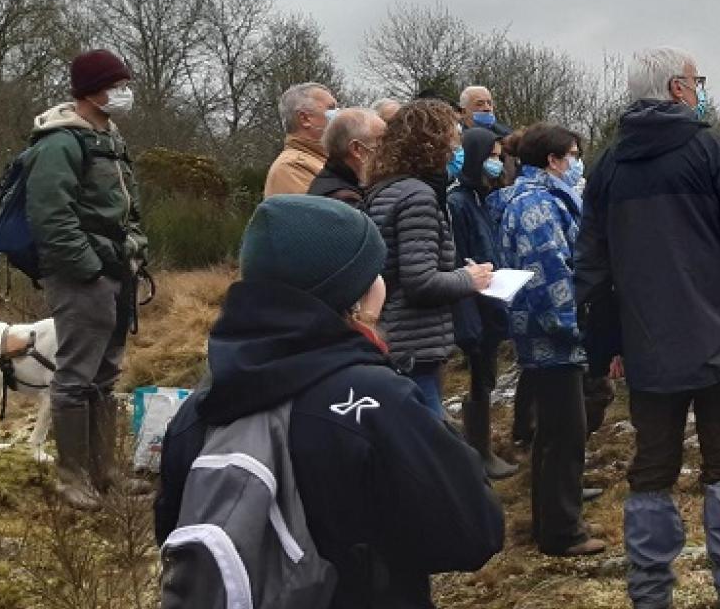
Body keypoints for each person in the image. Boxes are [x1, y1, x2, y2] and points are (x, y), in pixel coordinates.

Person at [155, 195, 505, 609]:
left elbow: (172, 536)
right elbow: (473, 532)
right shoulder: (376, 400)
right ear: (353, 296)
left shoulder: (198, 411)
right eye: (374, 272)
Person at [576, 47, 720, 609]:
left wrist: (609, 343)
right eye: (696, 80)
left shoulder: (608, 166)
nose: (700, 88)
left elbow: (591, 268)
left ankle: (649, 595)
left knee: (651, 469)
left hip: (648, 348)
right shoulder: (713, 151)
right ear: (676, 89)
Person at [24, 49, 149, 510]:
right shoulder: (59, 143)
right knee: (77, 375)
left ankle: (104, 471)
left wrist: (136, 250)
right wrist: (89, 268)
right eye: (117, 85)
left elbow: (126, 208)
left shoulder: (110, 139)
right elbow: (50, 217)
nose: (124, 93)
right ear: (93, 90)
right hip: (82, 275)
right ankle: (71, 477)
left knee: (106, 373)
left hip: (117, 270)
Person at [491, 124, 607, 557]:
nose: (577, 163)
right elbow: (549, 275)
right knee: (565, 435)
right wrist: (574, 328)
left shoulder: (537, 197)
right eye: (572, 155)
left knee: (554, 433)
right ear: (553, 160)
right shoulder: (537, 205)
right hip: (552, 337)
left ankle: (550, 521)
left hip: (545, 333)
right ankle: (562, 532)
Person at [362, 99, 494, 415]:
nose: (457, 148)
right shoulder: (417, 197)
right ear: (432, 143)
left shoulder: (386, 188)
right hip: (414, 344)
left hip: (396, 336)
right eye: (452, 138)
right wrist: (469, 279)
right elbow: (419, 281)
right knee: (429, 436)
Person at [443, 125, 520, 480]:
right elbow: (459, 253)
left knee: (486, 371)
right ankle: (479, 450)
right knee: (479, 372)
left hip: (492, 294)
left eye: (499, 157)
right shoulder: (458, 202)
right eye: (490, 156)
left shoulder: (482, 197)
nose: (497, 163)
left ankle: (483, 445)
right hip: (474, 296)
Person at [263, 82, 340, 197]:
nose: (339, 114)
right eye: (331, 108)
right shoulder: (291, 168)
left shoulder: (323, 160)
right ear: (305, 119)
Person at [309, 107, 385, 207]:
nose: (388, 149)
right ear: (356, 149)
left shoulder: (334, 182)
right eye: (380, 142)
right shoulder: (344, 199)